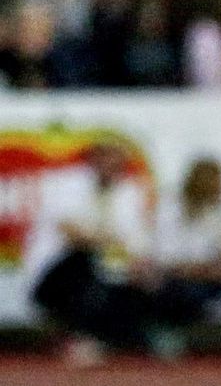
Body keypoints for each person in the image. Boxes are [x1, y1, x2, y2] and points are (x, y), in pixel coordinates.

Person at [23, 141, 168, 360]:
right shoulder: (65, 184)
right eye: (106, 159)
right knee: (86, 260)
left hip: (106, 270)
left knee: (141, 280)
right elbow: (72, 233)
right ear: (93, 160)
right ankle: (80, 333)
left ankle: (98, 338)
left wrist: (139, 264)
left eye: (117, 161)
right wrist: (114, 245)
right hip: (54, 275)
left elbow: (137, 240)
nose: (111, 166)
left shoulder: (128, 192)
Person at [155, 156, 221, 327]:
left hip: (215, 273)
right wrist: (206, 270)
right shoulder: (172, 208)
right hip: (181, 277)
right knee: (182, 289)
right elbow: (167, 258)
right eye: (217, 181)